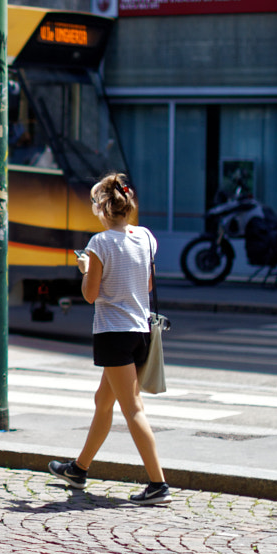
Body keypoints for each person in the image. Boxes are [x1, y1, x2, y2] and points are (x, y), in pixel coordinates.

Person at [47, 173, 170, 505]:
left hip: (113, 332)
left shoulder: (99, 244)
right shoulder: (145, 237)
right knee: (104, 401)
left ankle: (158, 484)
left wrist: (85, 268)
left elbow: (90, 295)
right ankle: (79, 468)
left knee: (133, 409)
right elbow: (146, 286)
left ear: (102, 208)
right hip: (139, 330)